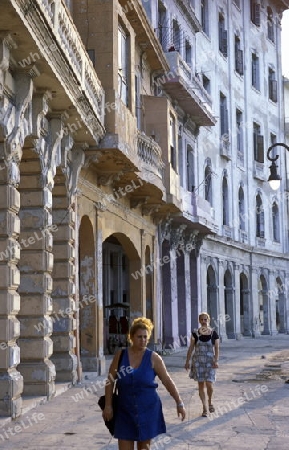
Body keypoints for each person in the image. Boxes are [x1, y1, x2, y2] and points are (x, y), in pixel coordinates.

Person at [103, 317, 186, 449]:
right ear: (131, 337)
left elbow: (167, 381)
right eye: (139, 337)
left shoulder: (154, 358)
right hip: (124, 410)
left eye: (145, 337)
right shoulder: (121, 355)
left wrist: (179, 402)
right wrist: (108, 405)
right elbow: (110, 381)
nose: (143, 340)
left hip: (148, 410)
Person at [185, 312, 220, 417]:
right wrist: (187, 361)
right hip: (198, 362)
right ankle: (204, 408)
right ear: (199, 321)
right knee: (200, 384)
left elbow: (217, 348)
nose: (204, 322)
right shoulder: (195, 333)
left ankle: (210, 402)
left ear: (208, 320)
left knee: (209, 383)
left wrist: (216, 360)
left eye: (205, 319)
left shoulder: (214, 333)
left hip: (210, 362)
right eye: (202, 320)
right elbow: (191, 348)